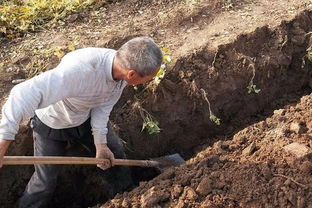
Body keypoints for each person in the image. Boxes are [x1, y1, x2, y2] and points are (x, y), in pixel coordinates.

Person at [0, 37, 163, 207]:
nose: (149, 81)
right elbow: (21, 95)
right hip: (52, 125)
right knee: (45, 180)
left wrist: (100, 144)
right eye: (149, 78)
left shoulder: (121, 72)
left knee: (113, 155)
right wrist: (2, 145)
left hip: (85, 119)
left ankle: (126, 197)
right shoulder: (80, 71)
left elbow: (103, 105)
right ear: (132, 74)